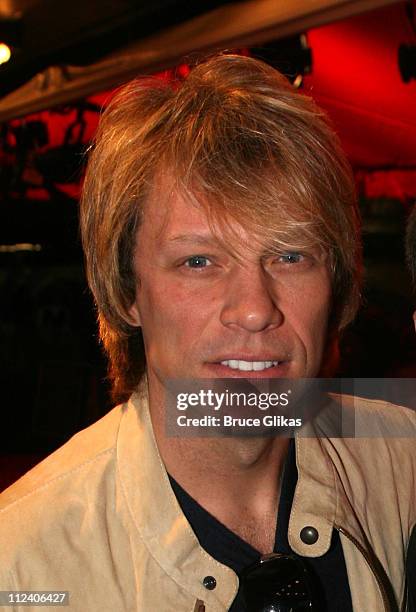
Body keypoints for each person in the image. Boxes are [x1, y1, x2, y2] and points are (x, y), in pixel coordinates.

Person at [0, 53, 415, 612]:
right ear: (127, 291)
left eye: (291, 255)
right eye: (199, 261)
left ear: (337, 284)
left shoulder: (403, 463)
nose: (253, 309)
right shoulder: (22, 566)